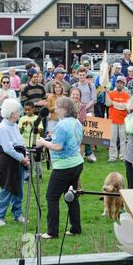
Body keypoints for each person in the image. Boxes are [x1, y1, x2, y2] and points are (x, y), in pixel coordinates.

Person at [36, 97, 84, 239]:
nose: (55, 110)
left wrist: (44, 142)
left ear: (66, 110)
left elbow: (58, 146)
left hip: (64, 166)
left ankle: (52, 232)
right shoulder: (77, 123)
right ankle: (76, 228)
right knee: (71, 197)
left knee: (52, 197)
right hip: (76, 163)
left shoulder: (62, 125)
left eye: (58, 107)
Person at [0, 98, 30, 226]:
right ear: (12, 113)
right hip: (8, 162)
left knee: (18, 189)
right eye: (18, 111)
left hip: (18, 161)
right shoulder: (3, 127)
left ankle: (17, 214)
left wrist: (25, 156)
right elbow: (8, 148)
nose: (20, 113)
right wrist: (22, 159)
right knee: (7, 189)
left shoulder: (14, 126)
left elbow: (20, 143)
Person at [72, 66, 97, 163]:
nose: (82, 76)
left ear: (86, 75)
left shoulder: (91, 85)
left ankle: (89, 153)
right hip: (76, 111)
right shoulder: (75, 85)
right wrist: (80, 109)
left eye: (84, 75)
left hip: (89, 110)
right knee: (78, 132)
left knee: (88, 134)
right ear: (78, 75)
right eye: (80, 75)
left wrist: (84, 108)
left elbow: (94, 99)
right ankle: (83, 153)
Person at [105, 76, 130, 163]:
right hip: (112, 120)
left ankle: (123, 156)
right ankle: (112, 157)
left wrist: (114, 103)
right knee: (112, 140)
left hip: (123, 121)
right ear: (116, 83)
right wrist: (120, 105)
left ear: (124, 85)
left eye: (121, 83)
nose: (119, 84)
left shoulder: (126, 95)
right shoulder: (111, 93)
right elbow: (108, 103)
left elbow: (127, 107)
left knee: (123, 140)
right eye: (118, 83)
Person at [18, 101, 44, 181]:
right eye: (25, 110)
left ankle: (38, 175)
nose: (27, 112)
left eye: (29, 110)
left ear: (33, 109)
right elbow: (20, 132)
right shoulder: (22, 118)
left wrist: (33, 125)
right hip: (25, 143)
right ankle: (27, 176)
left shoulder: (37, 118)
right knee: (27, 161)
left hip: (35, 143)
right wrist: (22, 126)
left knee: (37, 161)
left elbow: (40, 130)